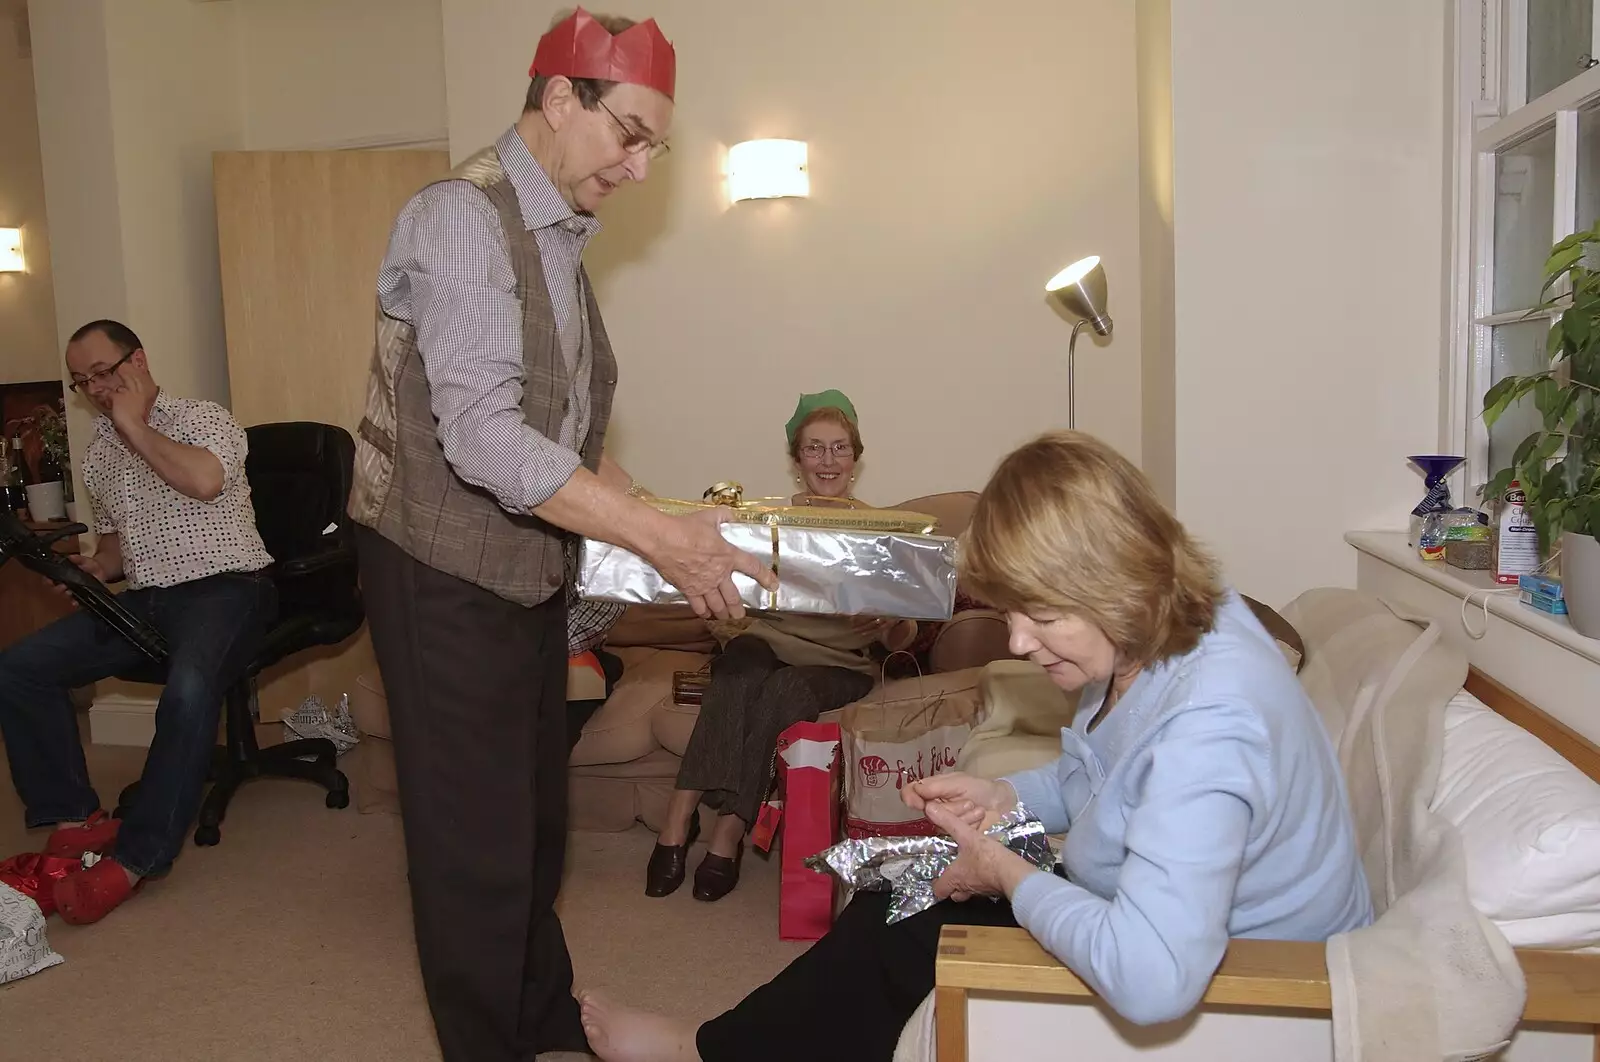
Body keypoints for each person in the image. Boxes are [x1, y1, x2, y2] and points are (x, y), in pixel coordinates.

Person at [578, 430, 1375, 1062]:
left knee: (923, 909)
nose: (1019, 642)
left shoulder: (1211, 729)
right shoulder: (1164, 626)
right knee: (905, 888)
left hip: (1249, 989)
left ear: (1113, 577)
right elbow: (1101, 770)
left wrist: (1006, 868)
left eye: (1039, 614)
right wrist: (1008, 799)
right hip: (1155, 914)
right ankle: (720, 1046)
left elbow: (1154, 981)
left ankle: (699, 1051)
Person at [349, 9, 775, 1062]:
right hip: (439, 568)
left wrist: (676, 522)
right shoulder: (461, 217)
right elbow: (486, 437)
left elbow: (565, 440)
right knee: (472, 851)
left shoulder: (558, 242)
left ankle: (541, 1017)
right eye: (629, 132)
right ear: (556, 99)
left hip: (522, 576)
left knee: (531, 832)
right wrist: (656, 539)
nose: (638, 166)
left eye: (653, 146)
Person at [0, 319, 275, 925]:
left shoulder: (204, 418)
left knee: (190, 689)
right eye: (80, 382)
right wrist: (97, 567)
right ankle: (76, 819)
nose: (95, 390)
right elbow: (120, 546)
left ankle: (136, 858)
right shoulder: (100, 453)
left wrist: (133, 424)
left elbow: (204, 481)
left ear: (138, 360)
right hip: (148, 598)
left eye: (103, 373)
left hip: (229, 588)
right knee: (20, 669)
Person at [646, 391, 919, 902]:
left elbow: (900, 640)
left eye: (839, 448)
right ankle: (677, 820)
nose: (827, 461)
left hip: (837, 664)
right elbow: (733, 606)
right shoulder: (765, 525)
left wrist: (892, 619)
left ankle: (728, 831)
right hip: (765, 645)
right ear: (797, 461)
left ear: (855, 458)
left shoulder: (879, 529)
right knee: (740, 667)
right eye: (814, 449)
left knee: (786, 688)